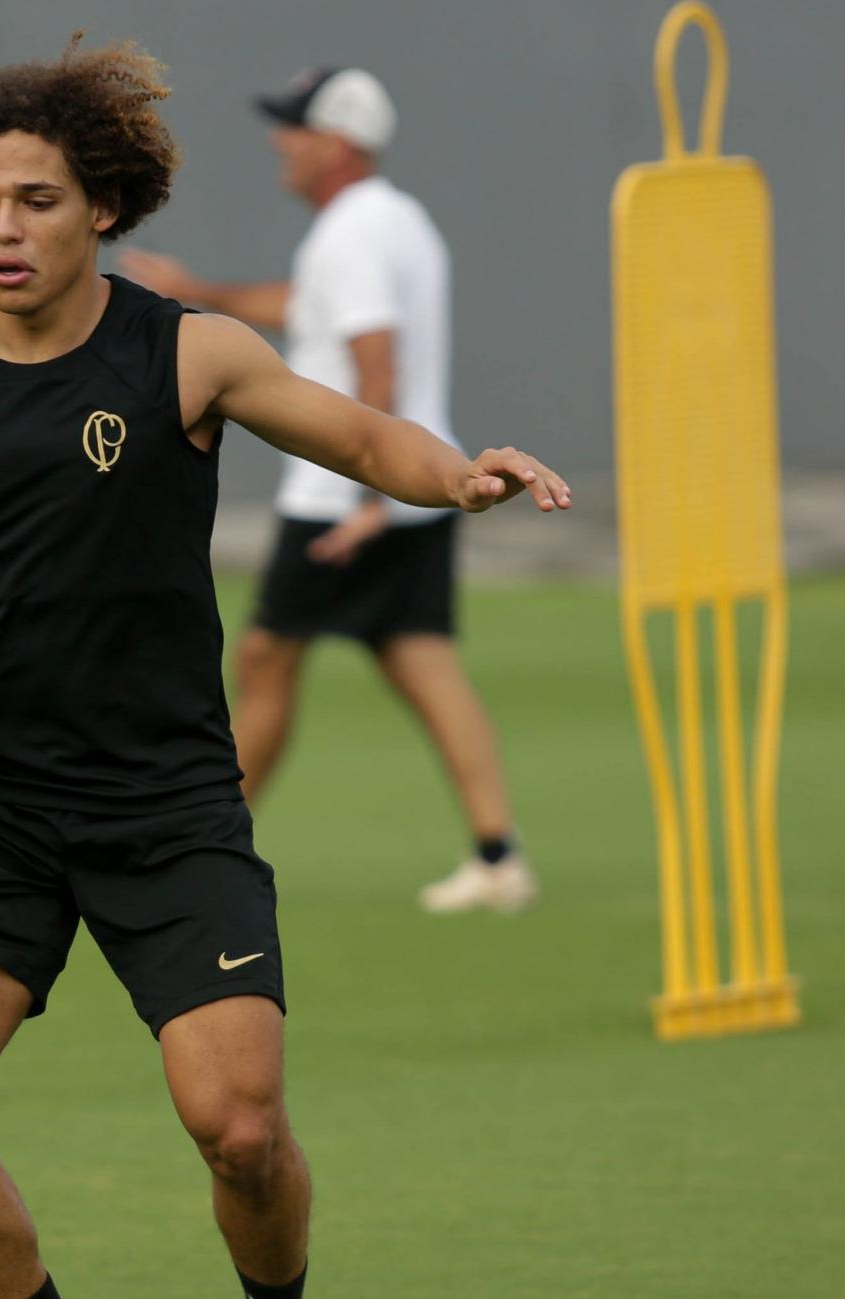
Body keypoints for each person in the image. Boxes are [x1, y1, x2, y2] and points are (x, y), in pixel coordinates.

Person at [0, 37, 569, 1299]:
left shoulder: (187, 352)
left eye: (36, 199)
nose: (4, 228)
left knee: (239, 1125)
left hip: (166, 807)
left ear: (104, 209)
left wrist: (453, 474)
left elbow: (354, 431)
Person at [123, 66, 538, 913]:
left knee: (265, 656)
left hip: (344, 496)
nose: (281, 141)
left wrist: (368, 503)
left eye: (295, 127)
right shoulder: (395, 220)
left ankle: (203, 847)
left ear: (338, 142)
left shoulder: (351, 233)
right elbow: (312, 309)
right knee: (422, 661)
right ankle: (499, 856)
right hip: (422, 482)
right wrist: (196, 292)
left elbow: (373, 360)